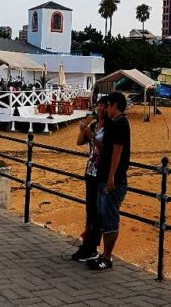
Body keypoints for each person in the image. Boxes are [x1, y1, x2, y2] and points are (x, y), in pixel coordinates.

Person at [85, 92, 131, 271]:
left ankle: (107, 256)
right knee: (103, 216)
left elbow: (117, 151)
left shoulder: (121, 124)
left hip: (113, 179)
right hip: (102, 176)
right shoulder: (113, 123)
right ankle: (102, 254)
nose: (106, 109)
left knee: (110, 218)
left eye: (109, 105)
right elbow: (105, 148)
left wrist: (112, 175)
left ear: (115, 106)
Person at [69, 105, 107, 261]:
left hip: (100, 173)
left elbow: (105, 149)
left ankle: (92, 247)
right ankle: (87, 245)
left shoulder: (109, 128)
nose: (100, 110)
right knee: (90, 210)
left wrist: (91, 135)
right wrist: (83, 128)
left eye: (104, 107)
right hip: (90, 171)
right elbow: (79, 142)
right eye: (99, 107)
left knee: (98, 212)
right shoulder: (94, 125)